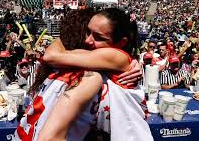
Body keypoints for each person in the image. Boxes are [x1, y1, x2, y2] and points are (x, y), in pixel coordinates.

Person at [38, 8, 151, 141]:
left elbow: (52, 56)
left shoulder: (116, 56)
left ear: (121, 43)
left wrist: (63, 36)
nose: (87, 40)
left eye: (98, 37)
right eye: (87, 32)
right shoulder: (101, 59)